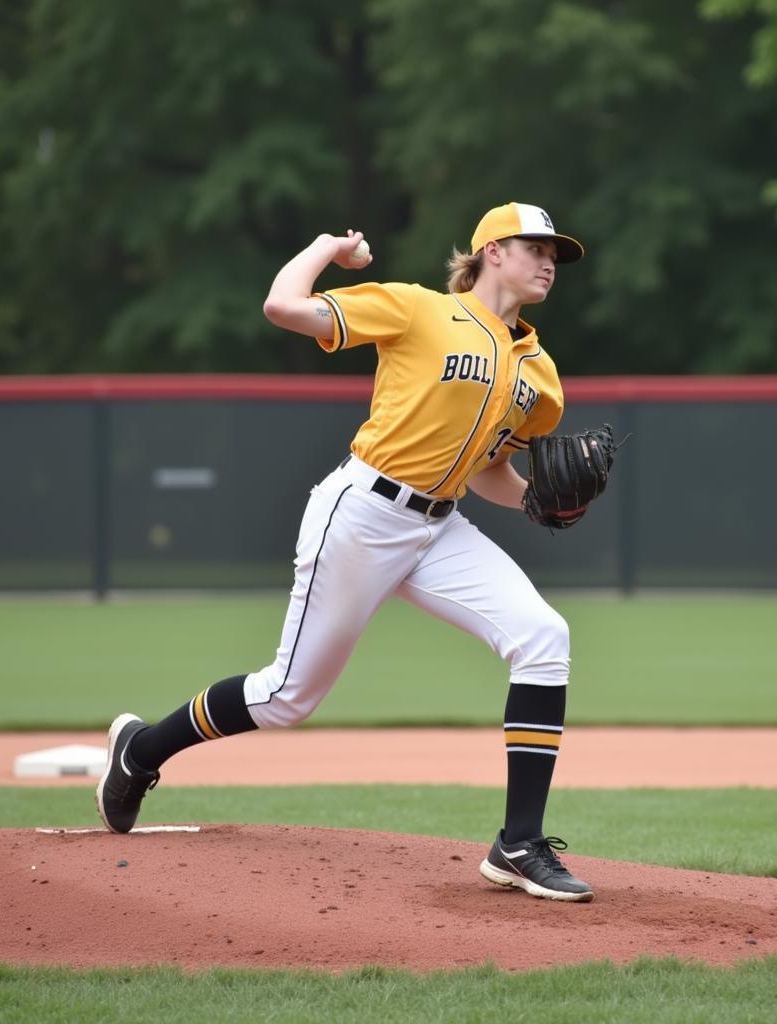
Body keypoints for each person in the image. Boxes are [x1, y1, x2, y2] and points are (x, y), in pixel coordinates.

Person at [96, 202, 595, 902]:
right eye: (533, 246)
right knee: (287, 697)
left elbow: (488, 472)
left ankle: (518, 843)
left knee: (544, 637)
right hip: (362, 513)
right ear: (489, 252)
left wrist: (541, 503)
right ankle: (141, 750)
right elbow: (282, 306)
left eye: (555, 253)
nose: (548, 261)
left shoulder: (540, 377)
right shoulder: (418, 310)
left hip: (439, 528)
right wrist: (326, 247)